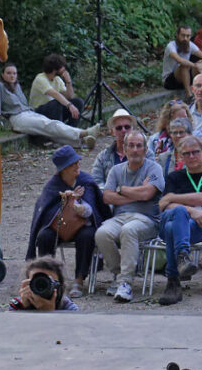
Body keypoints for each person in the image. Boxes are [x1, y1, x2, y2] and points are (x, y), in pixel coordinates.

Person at [156, 135, 202, 306]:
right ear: (180, 157)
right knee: (178, 213)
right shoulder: (174, 177)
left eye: (195, 152)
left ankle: (173, 281)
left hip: (199, 228)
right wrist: (190, 210)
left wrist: (174, 198)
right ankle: (182, 257)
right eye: (186, 154)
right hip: (178, 220)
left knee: (173, 227)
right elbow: (163, 206)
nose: (191, 156)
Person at [95, 129, 164, 303]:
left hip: (146, 219)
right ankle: (120, 275)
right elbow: (107, 197)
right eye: (131, 146)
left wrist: (121, 189)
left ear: (145, 149)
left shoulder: (154, 168)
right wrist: (137, 192)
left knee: (128, 230)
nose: (135, 150)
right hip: (119, 218)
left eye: (139, 146)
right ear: (125, 148)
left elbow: (147, 195)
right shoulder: (116, 171)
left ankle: (125, 283)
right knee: (101, 233)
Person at [25, 145, 102, 300]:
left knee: (88, 235)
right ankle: (48, 278)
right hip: (58, 227)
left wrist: (76, 205)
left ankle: (79, 279)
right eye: (72, 164)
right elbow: (44, 213)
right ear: (63, 169)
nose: (77, 165)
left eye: (77, 162)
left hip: (82, 226)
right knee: (44, 235)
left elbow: (93, 209)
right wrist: (63, 203)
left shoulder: (85, 181)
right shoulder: (53, 186)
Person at [0, 62, 95, 150]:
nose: (12, 76)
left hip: (29, 113)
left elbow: (24, 104)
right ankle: (83, 133)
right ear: (2, 74)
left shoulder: (16, 86)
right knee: (47, 124)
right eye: (9, 73)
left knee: (50, 125)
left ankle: (80, 142)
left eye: (14, 73)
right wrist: (4, 125)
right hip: (17, 117)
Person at [30, 53, 86, 127]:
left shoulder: (57, 80)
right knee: (57, 103)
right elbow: (55, 94)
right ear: (54, 69)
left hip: (54, 111)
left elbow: (69, 96)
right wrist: (69, 105)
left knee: (78, 102)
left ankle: (71, 130)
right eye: (61, 67)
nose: (64, 69)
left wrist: (68, 82)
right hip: (39, 112)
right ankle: (60, 133)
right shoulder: (40, 79)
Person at [8, 255, 80, 311]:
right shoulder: (17, 305)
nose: (42, 287)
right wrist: (24, 309)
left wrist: (51, 313)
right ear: (27, 284)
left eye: (49, 281)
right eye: (36, 282)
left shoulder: (69, 308)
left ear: (60, 287)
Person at [162, 25, 202, 92]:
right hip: (170, 81)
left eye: (188, 36)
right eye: (183, 35)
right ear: (177, 35)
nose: (185, 38)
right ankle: (189, 96)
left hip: (185, 79)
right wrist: (195, 66)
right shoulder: (171, 46)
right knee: (184, 65)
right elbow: (179, 60)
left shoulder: (190, 44)